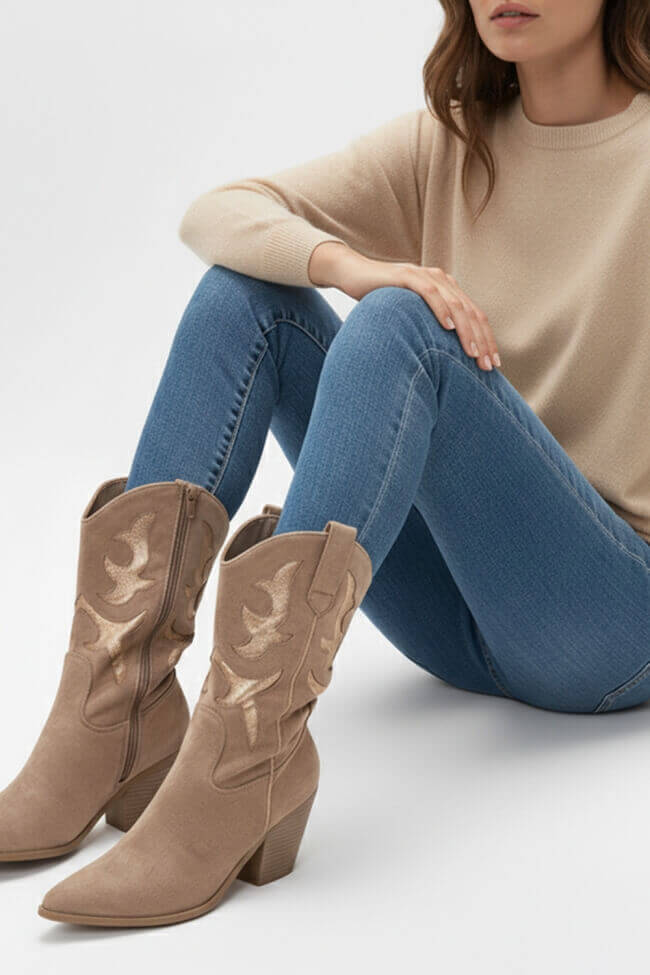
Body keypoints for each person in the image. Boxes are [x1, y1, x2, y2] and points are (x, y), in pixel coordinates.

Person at [2, 0, 649, 928]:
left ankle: (244, 767)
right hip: (449, 615)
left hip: (608, 620)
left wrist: (387, 295)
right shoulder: (449, 144)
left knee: (400, 326)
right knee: (246, 289)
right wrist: (347, 264)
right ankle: (115, 712)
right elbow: (219, 212)